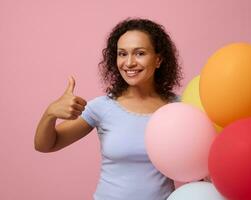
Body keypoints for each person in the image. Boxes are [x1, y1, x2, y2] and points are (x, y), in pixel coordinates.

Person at [34, 18, 183, 200]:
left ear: (158, 59)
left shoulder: (179, 108)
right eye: (122, 54)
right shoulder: (101, 107)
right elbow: (46, 145)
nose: (129, 63)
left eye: (140, 53)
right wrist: (50, 113)